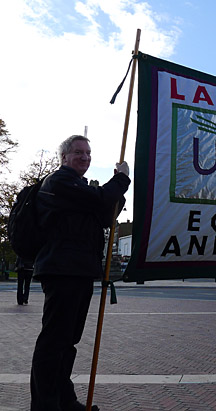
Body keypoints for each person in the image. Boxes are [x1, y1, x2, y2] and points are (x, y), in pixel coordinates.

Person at [30, 135, 131, 411]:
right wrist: (122, 179)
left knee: (67, 342)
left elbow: (103, 211)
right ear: (64, 157)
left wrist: (114, 197)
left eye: (88, 153)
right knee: (54, 342)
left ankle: (65, 400)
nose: (84, 157)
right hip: (63, 270)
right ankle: (45, 404)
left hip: (79, 270)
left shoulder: (79, 188)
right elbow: (100, 198)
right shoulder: (60, 182)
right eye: (78, 152)